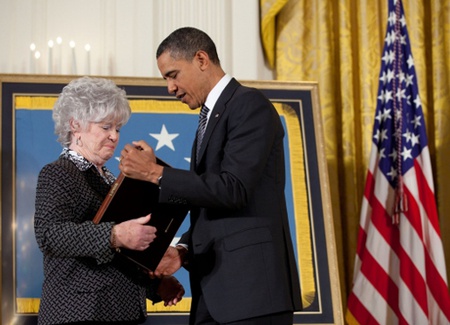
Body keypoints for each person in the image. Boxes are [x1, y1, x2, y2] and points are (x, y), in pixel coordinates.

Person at [119, 27, 302, 324]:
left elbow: (233, 189)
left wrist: (155, 172)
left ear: (201, 59)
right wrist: (183, 250)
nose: (170, 87)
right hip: (215, 294)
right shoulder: (210, 117)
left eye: (173, 74)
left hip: (253, 295)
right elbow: (210, 206)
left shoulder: (249, 104)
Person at [34, 76, 184, 325]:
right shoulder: (58, 173)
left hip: (120, 311)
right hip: (78, 314)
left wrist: (155, 285)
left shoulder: (112, 180)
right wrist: (114, 235)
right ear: (75, 125)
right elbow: (50, 235)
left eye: (117, 128)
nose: (114, 136)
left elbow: (119, 258)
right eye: (105, 127)